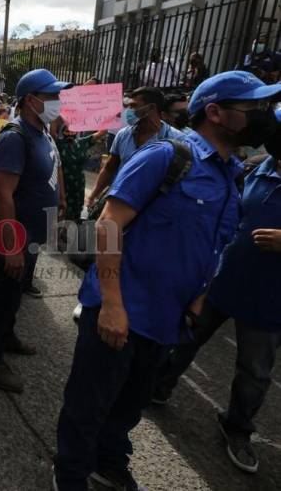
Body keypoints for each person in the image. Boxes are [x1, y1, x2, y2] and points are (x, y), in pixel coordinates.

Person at [52, 70, 280, 491]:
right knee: (90, 403)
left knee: (131, 404)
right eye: (254, 109)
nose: (265, 117)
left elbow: (216, 243)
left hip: (166, 320)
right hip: (120, 311)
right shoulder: (166, 157)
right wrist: (114, 304)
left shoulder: (232, 176)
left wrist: (201, 297)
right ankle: (70, 473)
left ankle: (109, 459)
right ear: (215, 112)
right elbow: (108, 227)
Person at [151, 106, 281, 474]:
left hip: (270, 299)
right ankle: (159, 386)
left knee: (255, 370)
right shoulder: (254, 168)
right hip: (221, 283)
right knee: (187, 338)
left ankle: (237, 427)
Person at [0, 69, 73, 393]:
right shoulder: (14, 138)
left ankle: (7, 336)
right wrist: (11, 247)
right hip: (13, 238)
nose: (58, 102)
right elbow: (4, 195)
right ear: (31, 100)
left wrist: (59, 197)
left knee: (16, 291)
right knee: (3, 295)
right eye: (51, 96)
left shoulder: (43, 132)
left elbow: (54, 163)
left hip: (33, 234)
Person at [87, 87, 185, 208]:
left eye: (134, 106)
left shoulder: (177, 140)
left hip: (152, 208)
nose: (129, 110)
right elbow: (110, 168)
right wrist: (93, 195)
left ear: (151, 108)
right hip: (119, 204)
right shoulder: (123, 135)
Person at [55, 123, 106, 222]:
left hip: (78, 185)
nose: (70, 134)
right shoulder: (58, 144)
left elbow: (102, 133)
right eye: (67, 131)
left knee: (77, 210)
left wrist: (104, 116)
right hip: (64, 184)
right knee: (62, 211)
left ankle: (73, 230)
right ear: (62, 133)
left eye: (72, 131)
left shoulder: (83, 143)